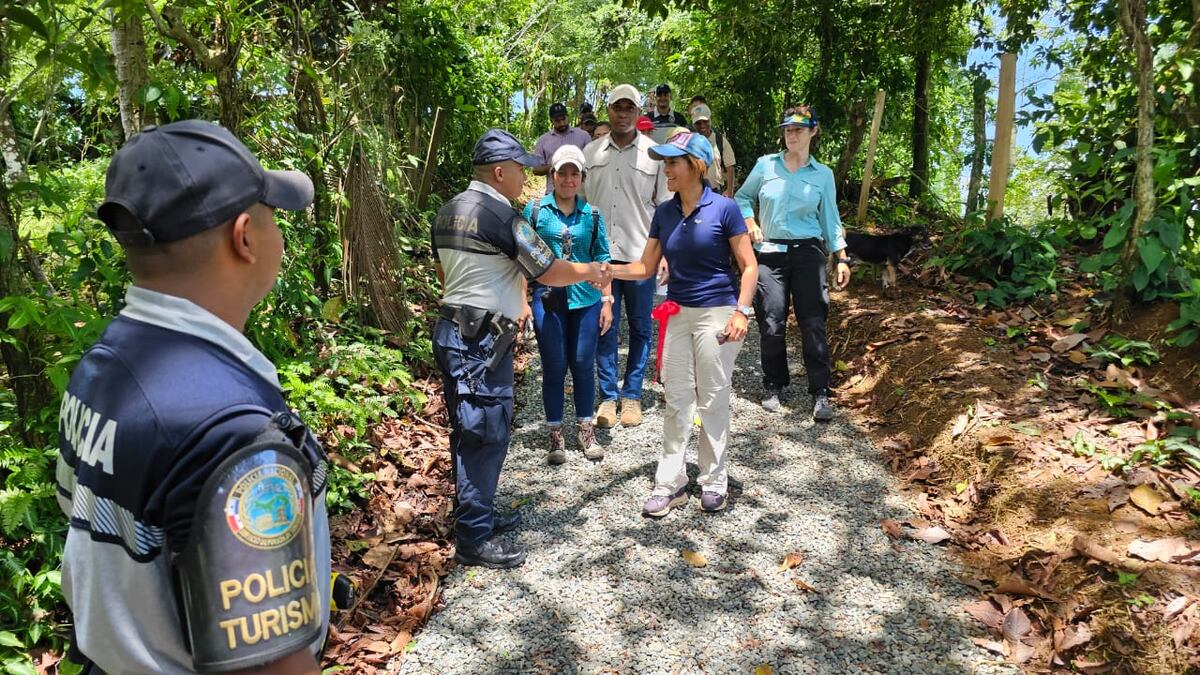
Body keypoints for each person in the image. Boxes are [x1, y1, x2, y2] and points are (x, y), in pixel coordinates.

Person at [58, 120, 330, 672]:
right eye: (272, 214)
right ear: (244, 238)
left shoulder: (103, 366)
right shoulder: (232, 431)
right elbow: (271, 664)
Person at [432, 129, 610, 568]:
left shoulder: (448, 211)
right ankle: (474, 538)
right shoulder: (502, 217)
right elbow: (548, 271)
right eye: (520, 169)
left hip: (453, 332)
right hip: (479, 341)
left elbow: (445, 274)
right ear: (499, 172)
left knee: (468, 429)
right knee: (484, 432)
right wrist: (591, 270)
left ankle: (477, 515)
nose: (526, 177)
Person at [610, 130, 757, 517]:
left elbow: (749, 266)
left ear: (696, 165)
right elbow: (644, 267)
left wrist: (741, 311)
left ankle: (714, 479)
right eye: (665, 162)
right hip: (677, 313)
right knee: (676, 400)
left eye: (673, 162)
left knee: (712, 397)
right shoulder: (664, 212)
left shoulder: (725, 208)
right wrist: (606, 270)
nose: (666, 170)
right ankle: (670, 483)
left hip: (718, 312)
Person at [735, 105, 850, 420]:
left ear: (813, 131)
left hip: (808, 253)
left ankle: (820, 392)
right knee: (771, 321)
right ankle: (774, 383)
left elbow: (830, 219)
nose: (792, 135)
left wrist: (841, 257)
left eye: (798, 129)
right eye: (787, 130)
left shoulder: (823, 174)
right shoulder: (766, 166)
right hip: (769, 253)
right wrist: (750, 221)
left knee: (813, 322)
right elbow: (742, 197)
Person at [581, 84, 670, 429]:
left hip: (640, 257)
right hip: (600, 257)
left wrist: (665, 253)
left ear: (638, 112)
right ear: (608, 110)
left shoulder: (653, 154)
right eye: (617, 108)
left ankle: (632, 394)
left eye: (629, 108)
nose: (622, 114)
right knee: (603, 325)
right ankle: (607, 395)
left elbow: (664, 207)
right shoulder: (590, 153)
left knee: (640, 326)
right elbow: (581, 204)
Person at [523, 145, 612, 464]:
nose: (569, 179)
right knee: (554, 366)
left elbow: (603, 259)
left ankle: (586, 430)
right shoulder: (535, 211)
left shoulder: (593, 214)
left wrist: (607, 300)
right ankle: (555, 435)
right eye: (563, 173)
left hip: (586, 299)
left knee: (583, 363)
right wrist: (522, 301)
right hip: (548, 299)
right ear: (553, 175)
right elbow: (522, 258)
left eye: (575, 173)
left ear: (582, 177)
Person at [533, 102, 592, 193]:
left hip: (578, 192)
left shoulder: (583, 136)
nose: (562, 123)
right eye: (557, 121)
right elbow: (536, 170)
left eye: (563, 119)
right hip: (552, 192)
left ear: (568, 117)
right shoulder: (543, 140)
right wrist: (556, 165)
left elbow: (592, 162)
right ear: (551, 121)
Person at [691, 104, 737, 198]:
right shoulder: (689, 142)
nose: (702, 125)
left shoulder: (719, 140)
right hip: (694, 192)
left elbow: (730, 166)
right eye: (698, 123)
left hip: (715, 192)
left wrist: (730, 191)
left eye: (705, 121)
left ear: (710, 120)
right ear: (694, 124)